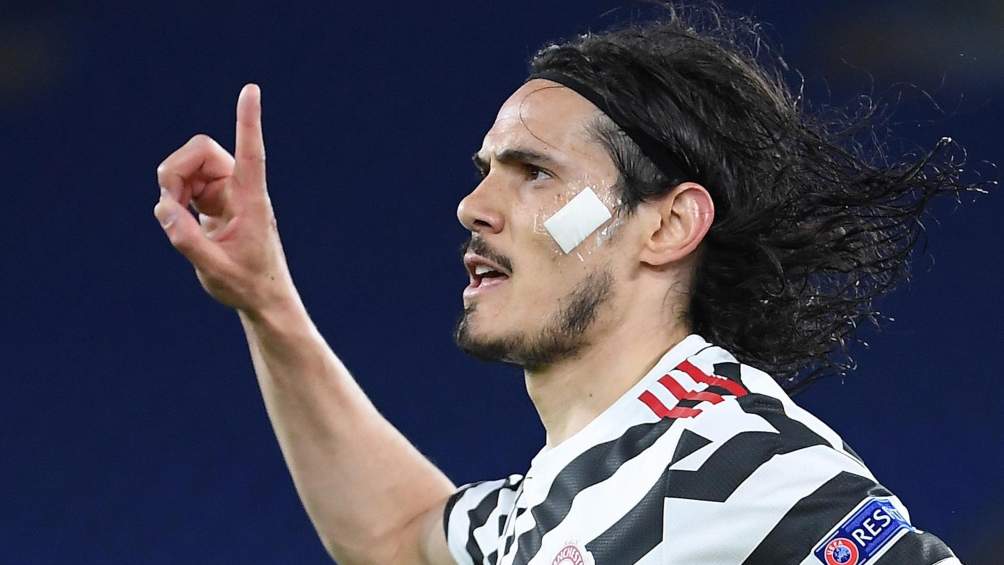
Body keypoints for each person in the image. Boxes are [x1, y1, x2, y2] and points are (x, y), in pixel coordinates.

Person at [153, 6, 980, 564]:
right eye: (485, 171)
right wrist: (265, 298)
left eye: (536, 173)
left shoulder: (746, 464)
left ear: (668, 225)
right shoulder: (550, 499)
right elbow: (397, 535)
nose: (473, 206)